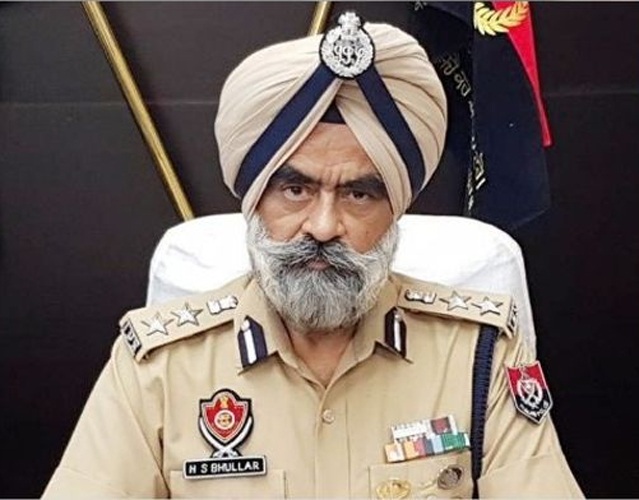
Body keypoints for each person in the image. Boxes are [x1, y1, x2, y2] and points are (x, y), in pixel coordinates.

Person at [43, 13, 583, 499]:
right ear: (255, 202)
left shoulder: (479, 355)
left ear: (395, 211)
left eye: (359, 194)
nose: (323, 227)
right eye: (296, 190)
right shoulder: (156, 368)